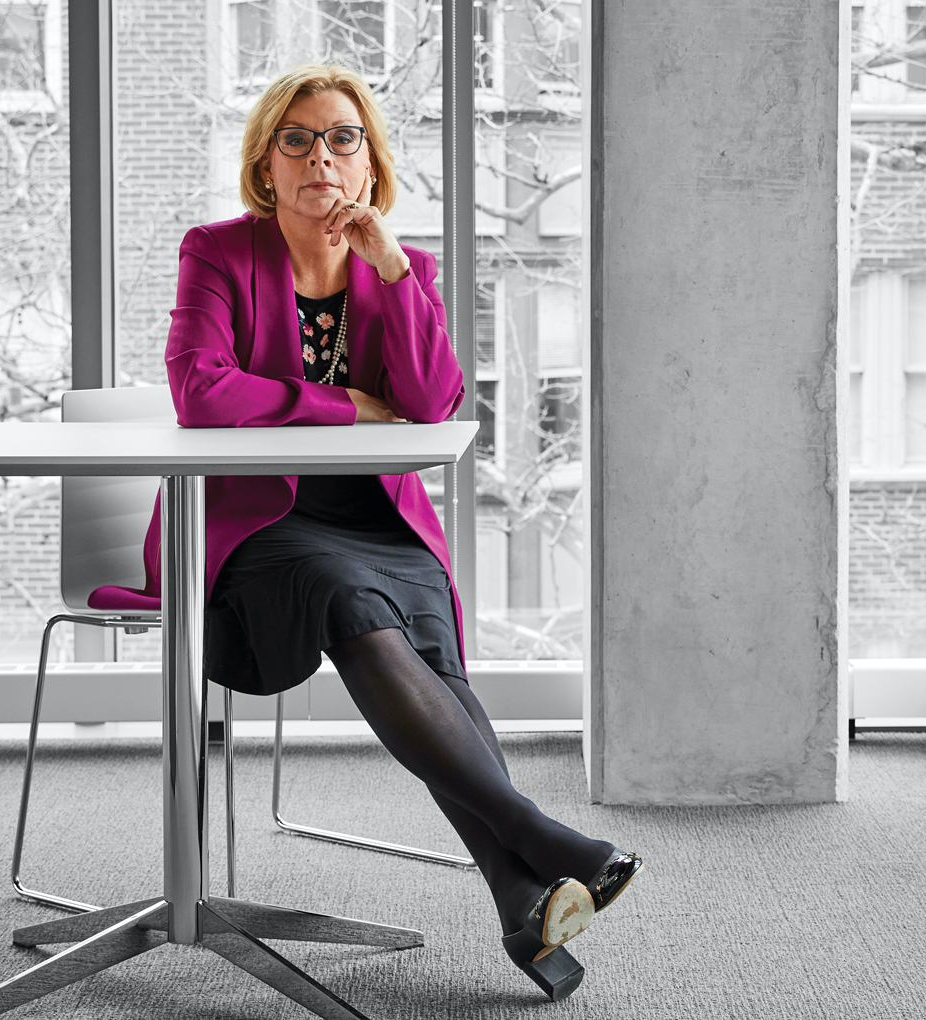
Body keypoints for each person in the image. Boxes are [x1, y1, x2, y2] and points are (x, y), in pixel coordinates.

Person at [106, 63, 639, 1002]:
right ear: (266, 162)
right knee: (348, 599)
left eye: (343, 138)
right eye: (299, 138)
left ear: (370, 161)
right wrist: (349, 408)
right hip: (255, 530)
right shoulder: (220, 253)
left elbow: (432, 404)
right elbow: (200, 392)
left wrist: (393, 270)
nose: (323, 155)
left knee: (429, 668)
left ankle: (525, 899)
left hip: (380, 524)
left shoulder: (403, 270)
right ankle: (549, 843)